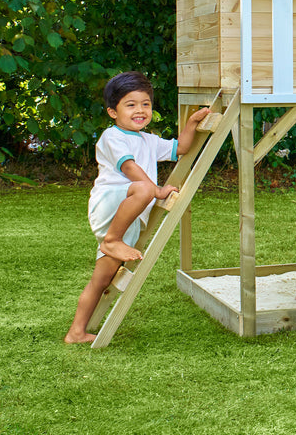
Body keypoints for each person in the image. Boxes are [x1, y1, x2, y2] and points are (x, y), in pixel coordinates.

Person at [64, 71, 209, 343]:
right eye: (131, 105)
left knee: (102, 280)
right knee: (143, 187)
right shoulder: (112, 137)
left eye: (146, 104)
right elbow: (130, 169)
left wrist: (191, 124)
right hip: (110, 205)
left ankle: (76, 332)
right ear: (112, 111)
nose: (140, 110)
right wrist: (156, 191)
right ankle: (111, 240)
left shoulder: (148, 140)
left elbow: (181, 149)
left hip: (129, 218)